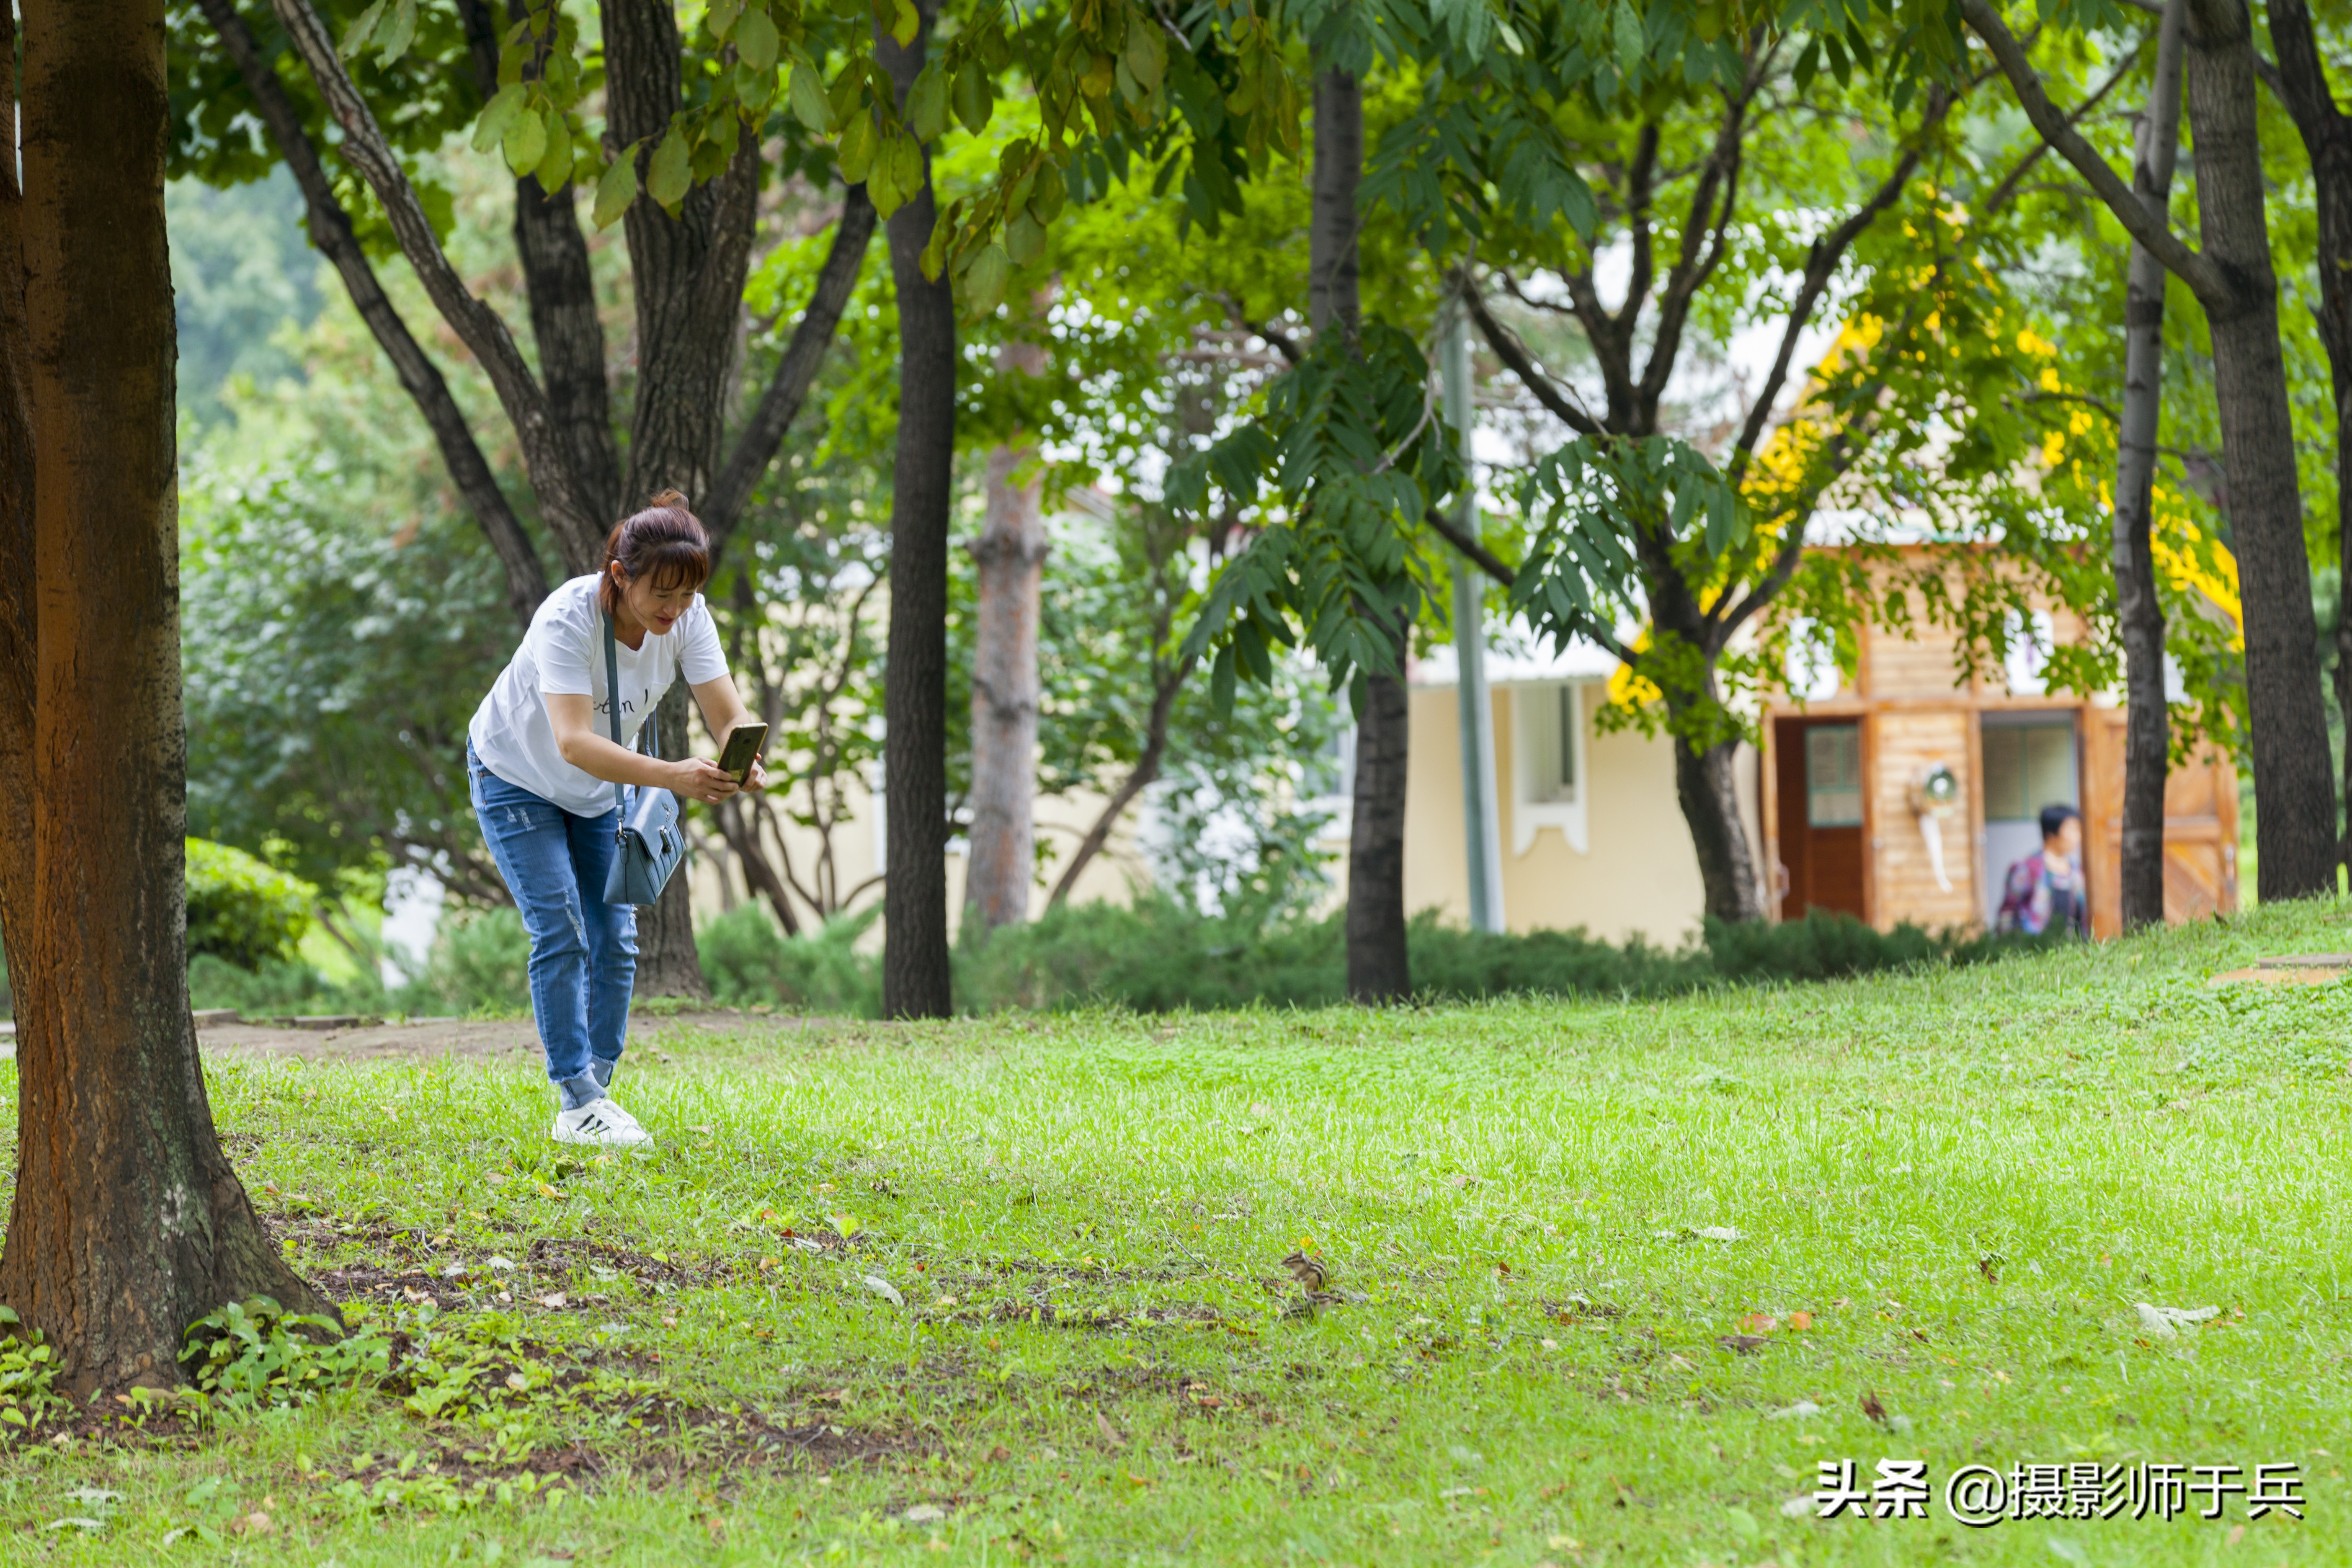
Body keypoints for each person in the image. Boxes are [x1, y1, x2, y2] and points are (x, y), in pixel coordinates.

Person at [466, 492, 767, 1148]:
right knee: (562, 929)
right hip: (516, 777)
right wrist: (675, 776)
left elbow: (728, 714)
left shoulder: (688, 617)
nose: (675, 609)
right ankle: (577, 1098)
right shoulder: (567, 620)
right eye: (662, 593)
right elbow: (574, 742)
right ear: (620, 575)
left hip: (596, 792)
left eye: (688, 594)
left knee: (617, 938)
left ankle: (592, 1097)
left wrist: (741, 757)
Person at [1995, 803, 2088, 937]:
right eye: (2072, 830)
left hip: (2069, 946)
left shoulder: (2075, 871)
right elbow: (2007, 914)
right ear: (2052, 833)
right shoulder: (2026, 869)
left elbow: (2080, 918)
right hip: (2032, 946)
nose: (2078, 837)